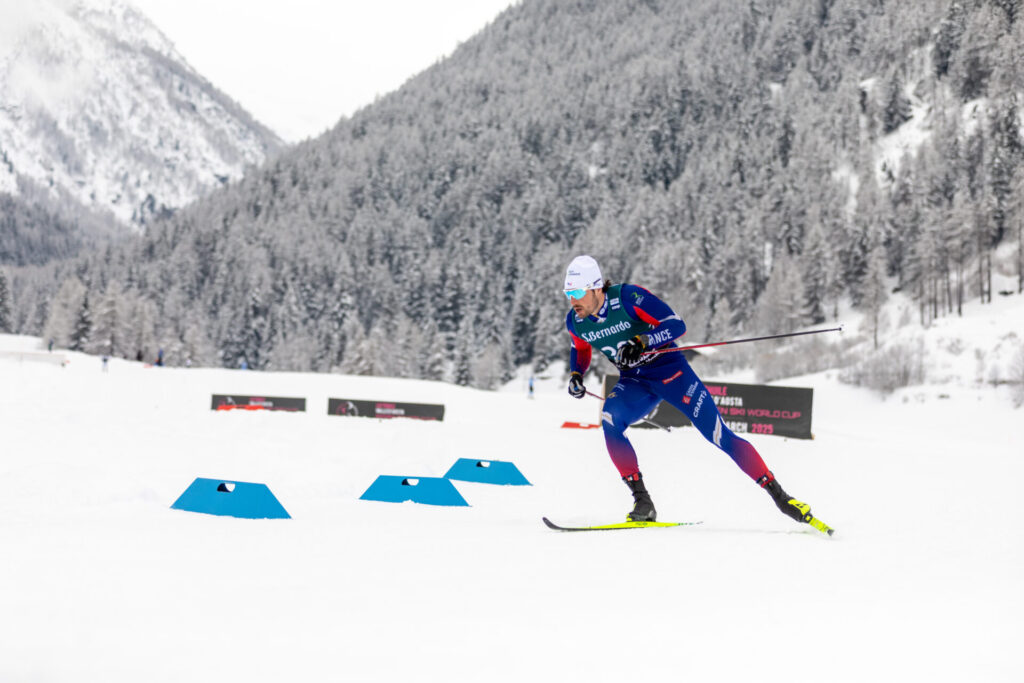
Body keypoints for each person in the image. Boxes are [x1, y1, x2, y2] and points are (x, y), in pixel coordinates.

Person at [562, 254, 821, 526]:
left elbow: (676, 324)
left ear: (595, 287)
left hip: (671, 373)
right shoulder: (576, 321)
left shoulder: (628, 298)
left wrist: (643, 340)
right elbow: (579, 349)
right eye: (568, 293)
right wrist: (577, 374)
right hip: (634, 381)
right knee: (610, 420)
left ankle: (781, 497)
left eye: (577, 292)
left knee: (719, 435)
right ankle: (642, 501)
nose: (572, 300)